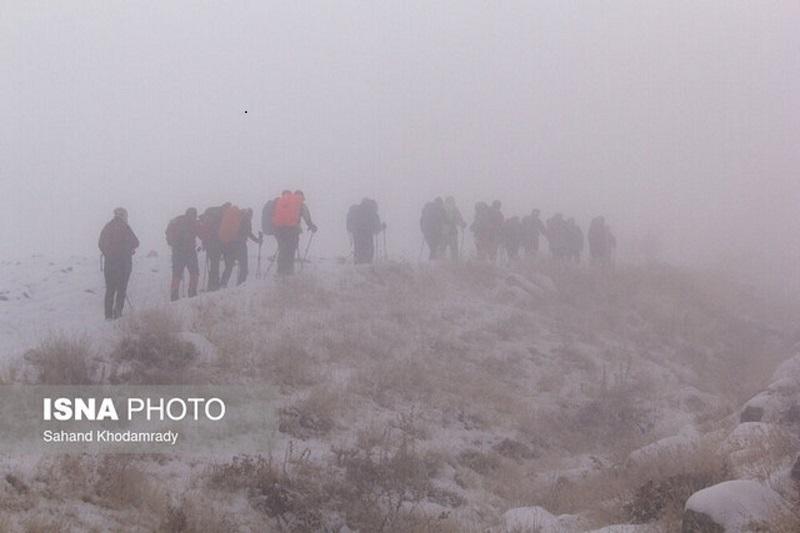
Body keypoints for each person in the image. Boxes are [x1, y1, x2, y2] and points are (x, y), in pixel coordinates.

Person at [98, 207, 139, 320]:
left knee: (110, 289)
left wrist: (109, 254)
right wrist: (126, 249)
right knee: (121, 289)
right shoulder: (125, 227)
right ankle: (118, 313)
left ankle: (108, 315)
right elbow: (136, 242)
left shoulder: (108, 227)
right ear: (123, 215)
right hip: (123, 263)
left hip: (110, 264)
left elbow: (101, 243)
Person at [272, 190, 317, 275]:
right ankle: (288, 271)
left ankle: (280, 271)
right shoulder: (300, 204)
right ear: (301, 196)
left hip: (278, 230)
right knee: (290, 250)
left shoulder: (281, 202)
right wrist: (311, 226)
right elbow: (306, 217)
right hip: (292, 231)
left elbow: (273, 215)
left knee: (282, 249)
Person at [165, 207, 199, 301]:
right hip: (189, 251)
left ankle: (174, 295)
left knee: (177, 274)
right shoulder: (192, 223)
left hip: (177, 252)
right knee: (194, 272)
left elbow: (168, 233)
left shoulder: (177, 221)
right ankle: (192, 293)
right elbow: (199, 232)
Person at [197, 202, 228, 291]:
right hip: (216, 243)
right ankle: (214, 285)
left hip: (210, 243)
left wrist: (205, 242)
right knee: (215, 264)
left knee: (213, 265)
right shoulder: (219, 216)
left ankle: (212, 285)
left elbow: (206, 231)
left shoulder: (212, 214)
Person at [347, 198, 384, 264]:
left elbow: (350, 226)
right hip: (367, 236)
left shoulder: (356, 211)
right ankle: (367, 269)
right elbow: (376, 229)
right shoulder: (371, 213)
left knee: (358, 252)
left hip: (357, 235)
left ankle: (358, 269)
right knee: (368, 253)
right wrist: (382, 227)